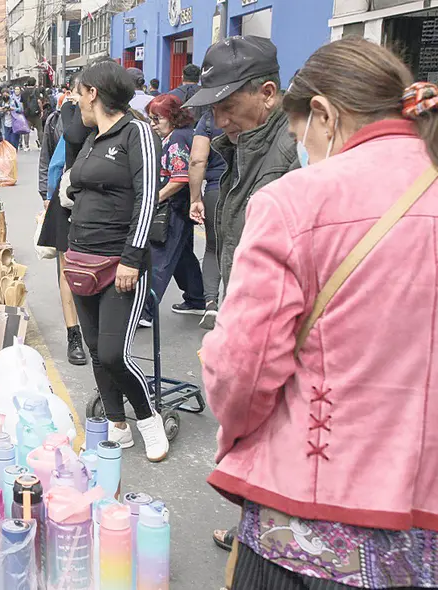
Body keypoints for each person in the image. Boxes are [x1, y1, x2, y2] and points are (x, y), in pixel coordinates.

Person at [202, 37, 438, 589]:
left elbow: (245, 369)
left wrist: (232, 427)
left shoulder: (297, 200)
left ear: (324, 116)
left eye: (299, 132)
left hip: (309, 520)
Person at [181, 35, 299, 552]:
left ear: (268, 94)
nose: (219, 120)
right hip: (248, 303)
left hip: (280, 320)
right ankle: (258, 521)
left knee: (275, 426)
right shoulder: (244, 147)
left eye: (227, 106)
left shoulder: (292, 150)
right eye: (213, 109)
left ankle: (272, 533)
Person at [68, 60, 169, 462]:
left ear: (93, 92)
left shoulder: (137, 133)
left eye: (79, 92)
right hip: (81, 259)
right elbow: (80, 187)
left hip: (119, 265)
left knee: (114, 354)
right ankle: (117, 424)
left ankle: (148, 419)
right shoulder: (92, 138)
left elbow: (147, 198)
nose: (75, 101)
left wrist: (131, 258)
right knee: (95, 349)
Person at [140, 94, 205, 328]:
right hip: (184, 204)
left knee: (160, 257)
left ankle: (145, 311)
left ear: (172, 118)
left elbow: (179, 178)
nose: (153, 124)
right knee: (182, 255)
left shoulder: (176, 139)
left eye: (157, 119)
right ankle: (197, 297)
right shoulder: (186, 134)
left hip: (175, 206)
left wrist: (154, 199)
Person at [37, 87, 88, 366]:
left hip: (100, 208)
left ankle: (91, 331)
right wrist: (48, 197)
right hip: (67, 202)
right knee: (66, 269)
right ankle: (74, 334)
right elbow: (55, 162)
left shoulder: (125, 127)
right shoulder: (67, 120)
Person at [187, 107, 226, 330]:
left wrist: (195, 197)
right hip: (253, 189)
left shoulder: (210, 118)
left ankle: (211, 303)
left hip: (215, 190)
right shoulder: (258, 111)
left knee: (213, 247)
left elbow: (197, 160)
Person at [22, 82, 44, 150]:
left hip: (27, 114)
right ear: (34, 83)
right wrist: (41, 110)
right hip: (36, 114)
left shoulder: (24, 92)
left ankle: (26, 146)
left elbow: (22, 103)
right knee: (40, 130)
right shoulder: (36, 91)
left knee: (27, 130)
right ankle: (41, 145)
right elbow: (39, 101)